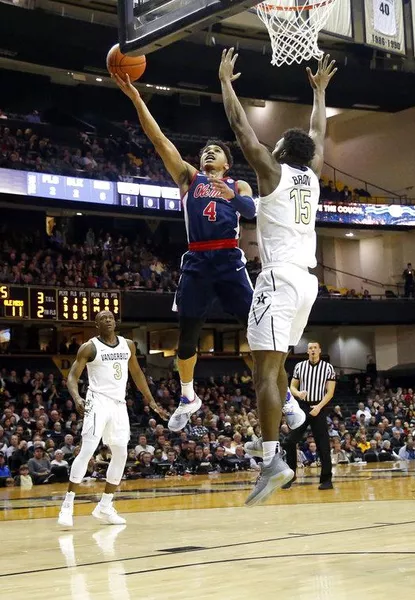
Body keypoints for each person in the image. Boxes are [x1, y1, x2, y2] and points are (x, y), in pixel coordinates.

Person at [218, 48, 336, 506]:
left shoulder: (273, 172)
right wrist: (320, 93)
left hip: (279, 278)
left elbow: (241, 129)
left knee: (263, 369)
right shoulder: (315, 176)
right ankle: (288, 419)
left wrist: (226, 83)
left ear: (283, 152)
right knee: (277, 363)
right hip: (307, 282)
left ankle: (272, 458)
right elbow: (319, 134)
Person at [113, 72, 256, 433]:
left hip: (229, 259)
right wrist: (134, 96)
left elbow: (252, 212)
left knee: (257, 331)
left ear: (226, 163)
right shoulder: (189, 179)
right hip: (197, 260)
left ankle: (282, 395)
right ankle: (189, 395)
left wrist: (232, 196)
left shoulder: (236, 183)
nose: (209, 152)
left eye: (217, 151)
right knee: (187, 335)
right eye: (205, 150)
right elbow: (158, 138)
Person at [57, 311, 167, 528]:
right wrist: (77, 397)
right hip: (97, 400)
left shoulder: (128, 345)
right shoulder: (89, 347)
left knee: (121, 454)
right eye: (102, 318)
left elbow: (137, 374)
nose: (107, 320)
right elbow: (72, 377)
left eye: (110, 317)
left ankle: (105, 506)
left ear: (115, 322)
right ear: (97, 325)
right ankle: (67, 504)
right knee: (87, 449)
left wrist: (152, 401)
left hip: (118, 403)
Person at [274, 342, 336, 490]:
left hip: (319, 407)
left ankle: (327, 480)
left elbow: (330, 392)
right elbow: (293, 387)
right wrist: (298, 393)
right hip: (302, 407)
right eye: (310, 348)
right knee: (290, 441)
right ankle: (291, 475)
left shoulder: (328, 368)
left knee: (323, 445)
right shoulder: (300, 366)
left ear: (320, 350)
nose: (313, 350)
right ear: (307, 351)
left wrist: (319, 407)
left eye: (315, 348)